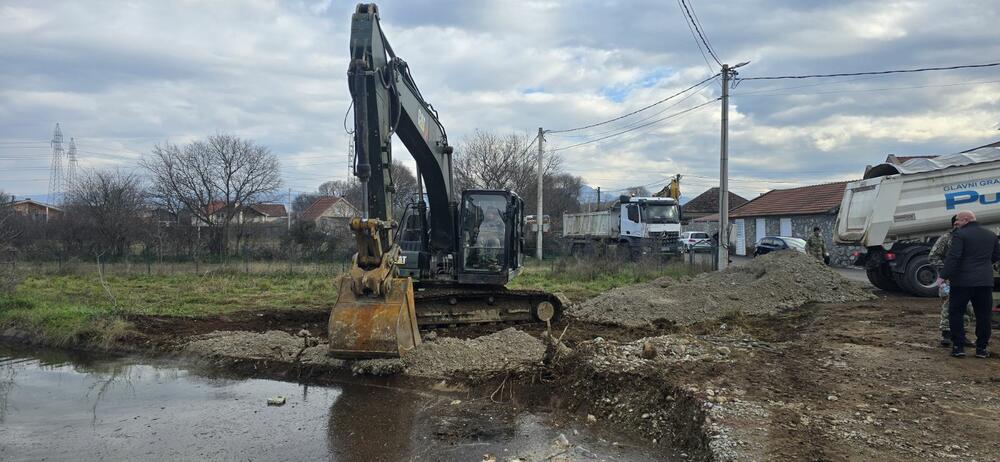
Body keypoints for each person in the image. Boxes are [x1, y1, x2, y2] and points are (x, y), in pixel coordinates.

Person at [940, 210, 1000, 358]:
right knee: (984, 315)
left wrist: (943, 276)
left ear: (966, 219)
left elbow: (954, 257)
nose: (956, 223)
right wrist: (982, 265)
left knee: (956, 313)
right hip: (984, 282)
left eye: (958, 221)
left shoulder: (960, 235)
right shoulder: (991, 235)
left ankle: (958, 347)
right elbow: (996, 256)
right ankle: (981, 349)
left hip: (962, 282)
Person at [928, 215, 975, 347]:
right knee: (949, 304)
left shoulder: (971, 239)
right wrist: (947, 269)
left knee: (967, 306)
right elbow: (933, 257)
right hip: (949, 278)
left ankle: (961, 334)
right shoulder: (946, 238)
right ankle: (946, 334)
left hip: (967, 278)